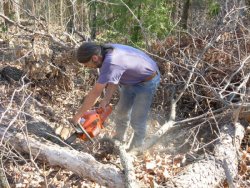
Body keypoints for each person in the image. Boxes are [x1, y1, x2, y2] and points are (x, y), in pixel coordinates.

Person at [72, 42, 160, 150]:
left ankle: (137, 148)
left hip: (147, 82)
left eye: (86, 64)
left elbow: (95, 92)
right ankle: (119, 139)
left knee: (137, 118)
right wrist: (105, 100)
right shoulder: (104, 52)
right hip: (130, 81)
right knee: (122, 112)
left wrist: (78, 116)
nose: (86, 67)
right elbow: (114, 78)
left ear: (94, 58)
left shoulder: (111, 61)